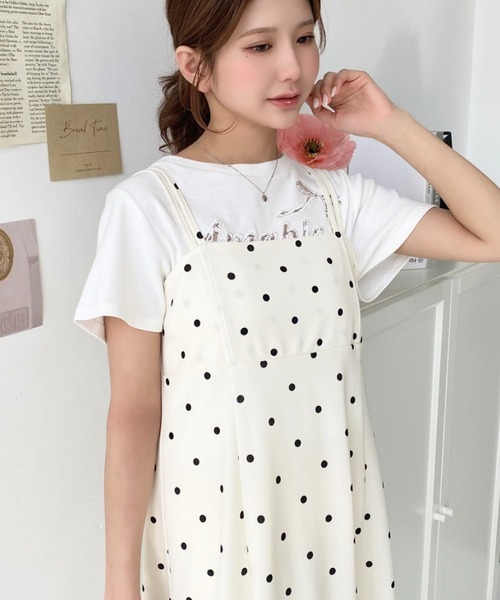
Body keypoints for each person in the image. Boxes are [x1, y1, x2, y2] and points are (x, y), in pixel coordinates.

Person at [74, 0, 500, 598]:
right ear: (195, 66)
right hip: (217, 531)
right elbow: (134, 411)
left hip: (334, 520)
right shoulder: (147, 208)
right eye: (259, 46)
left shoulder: (335, 198)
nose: (292, 67)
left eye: (303, 38)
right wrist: (119, 583)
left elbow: (492, 235)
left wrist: (392, 124)